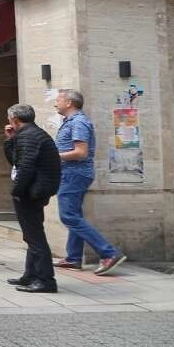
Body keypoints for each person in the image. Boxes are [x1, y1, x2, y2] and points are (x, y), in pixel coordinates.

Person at [53, 89, 127, 275]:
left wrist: (54, 156)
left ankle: (109, 253)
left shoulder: (78, 122)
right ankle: (73, 258)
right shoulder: (71, 121)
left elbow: (81, 152)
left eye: (58, 99)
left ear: (69, 102)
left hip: (74, 174)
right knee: (74, 215)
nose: (55, 103)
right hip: (71, 173)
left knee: (68, 216)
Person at [2, 104, 61, 293]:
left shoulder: (29, 136)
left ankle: (45, 280)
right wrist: (10, 140)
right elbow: (16, 161)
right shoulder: (29, 134)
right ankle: (31, 275)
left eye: (9, 118)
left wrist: (16, 191)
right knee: (31, 235)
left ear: (15, 119)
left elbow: (25, 168)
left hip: (31, 192)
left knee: (35, 237)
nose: (8, 121)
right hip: (35, 190)